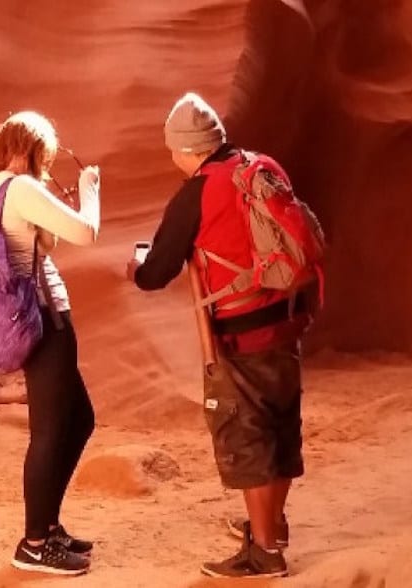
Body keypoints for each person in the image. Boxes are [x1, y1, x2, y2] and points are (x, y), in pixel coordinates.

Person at [126, 93, 317, 578]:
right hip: (287, 322)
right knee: (279, 428)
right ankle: (270, 523)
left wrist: (136, 267)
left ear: (184, 149)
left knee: (248, 439)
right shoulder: (259, 166)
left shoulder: (198, 192)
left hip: (240, 336)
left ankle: (265, 553)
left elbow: (156, 273)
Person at [0, 111, 101, 576]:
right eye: (44, 156)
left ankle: (48, 526)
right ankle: (33, 543)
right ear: (31, 150)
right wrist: (89, 189)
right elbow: (86, 234)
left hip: (36, 320)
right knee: (50, 431)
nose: (46, 165)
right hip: (44, 321)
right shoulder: (22, 189)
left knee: (79, 420)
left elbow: (42, 242)